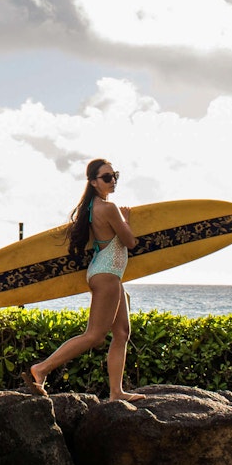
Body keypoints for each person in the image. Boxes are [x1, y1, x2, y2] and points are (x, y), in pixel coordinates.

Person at [24, 159, 143, 401]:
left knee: (121, 332)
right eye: (107, 177)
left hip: (107, 273)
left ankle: (116, 392)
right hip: (107, 275)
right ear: (93, 182)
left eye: (115, 176)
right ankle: (41, 369)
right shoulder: (109, 209)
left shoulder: (93, 208)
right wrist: (125, 220)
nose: (113, 181)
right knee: (95, 335)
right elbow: (130, 242)